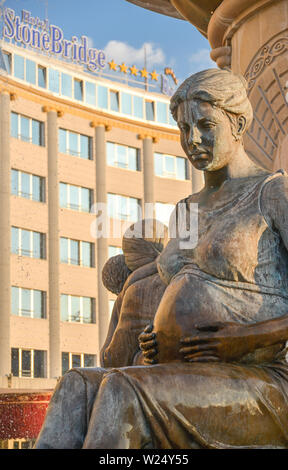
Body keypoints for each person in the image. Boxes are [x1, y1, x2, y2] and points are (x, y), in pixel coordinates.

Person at [36, 68, 288, 449]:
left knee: (123, 390)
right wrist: (158, 336)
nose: (193, 140)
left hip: (258, 378)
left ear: (238, 123)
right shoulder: (186, 210)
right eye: (184, 129)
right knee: (76, 388)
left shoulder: (272, 192)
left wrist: (243, 338)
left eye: (206, 125)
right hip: (182, 373)